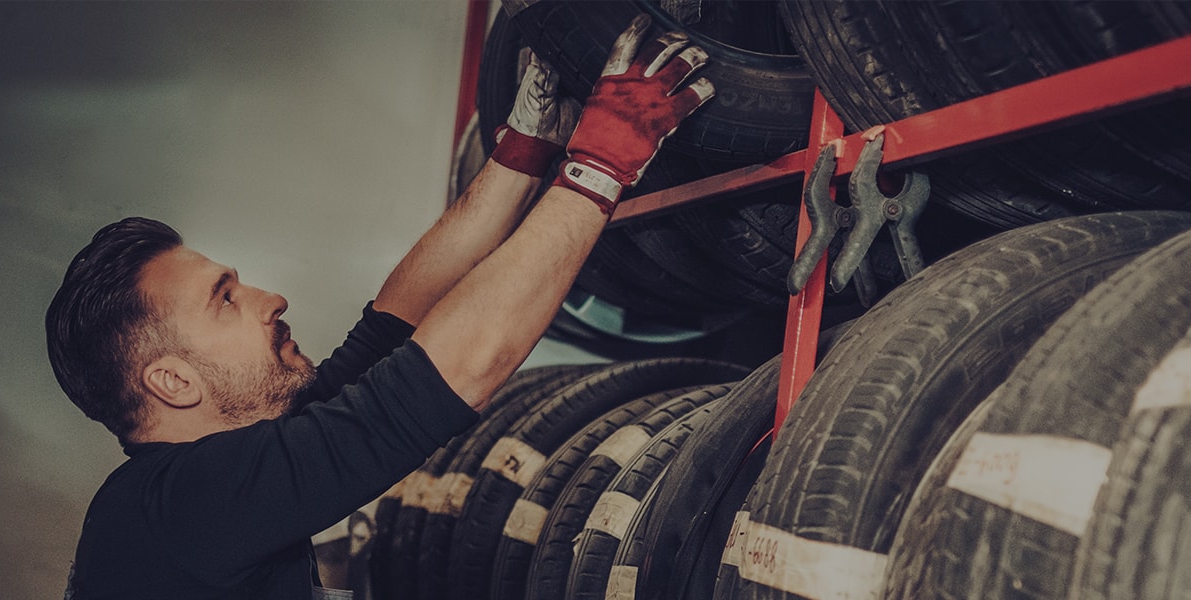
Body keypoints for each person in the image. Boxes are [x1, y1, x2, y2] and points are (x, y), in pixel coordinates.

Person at [47, 16, 713, 599]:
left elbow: (391, 331)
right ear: (172, 380)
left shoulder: (217, 476)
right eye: (225, 300)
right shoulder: (179, 507)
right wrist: (602, 161)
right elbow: (445, 376)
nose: (271, 299)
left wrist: (526, 146)